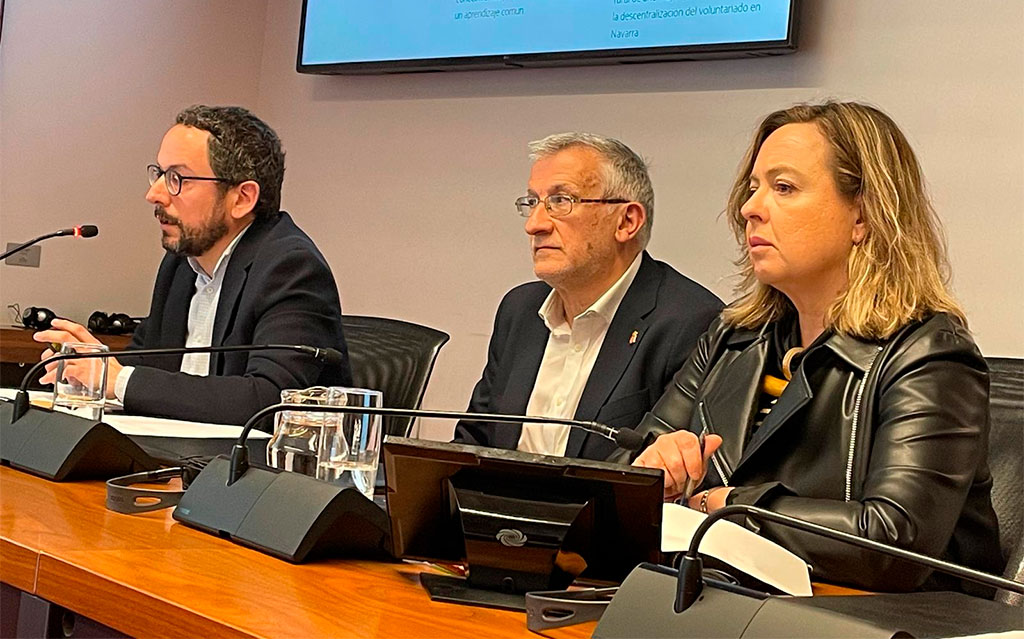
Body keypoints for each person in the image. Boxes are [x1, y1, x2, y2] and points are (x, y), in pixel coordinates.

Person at [629, 101, 1002, 592]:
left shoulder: (929, 354)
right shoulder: (731, 337)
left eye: (783, 188)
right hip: (732, 605)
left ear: (864, 215)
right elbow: (617, 478)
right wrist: (653, 469)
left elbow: (894, 543)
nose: (749, 208)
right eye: (754, 188)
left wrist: (726, 506)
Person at [35, 105, 351, 425]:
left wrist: (115, 379)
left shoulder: (291, 268)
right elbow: (147, 368)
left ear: (242, 198)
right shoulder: (180, 264)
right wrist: (88, 367)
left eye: (177, 178)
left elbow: (272, 399)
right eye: (158, 174)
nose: (154, 194)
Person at [454, 132, 722, 461]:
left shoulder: (689, 323)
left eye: (561, 202)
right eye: (532, 203)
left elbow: (669, 476)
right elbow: (474, 441)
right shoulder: (519, 310)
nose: (535, 225)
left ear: (627, 221)